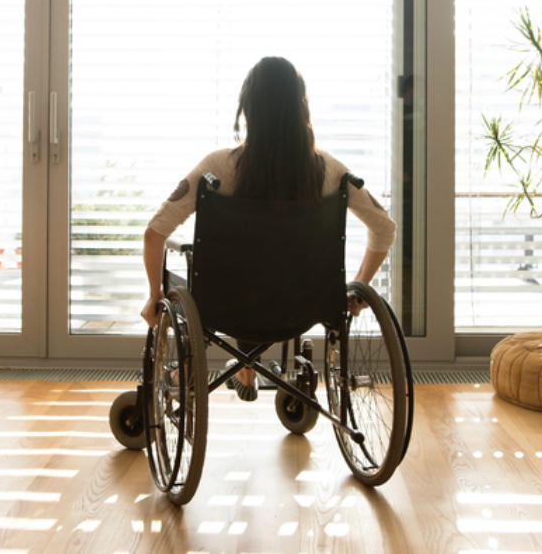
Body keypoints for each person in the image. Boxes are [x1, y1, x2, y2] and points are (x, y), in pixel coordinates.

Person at [139, 56, 396, 401]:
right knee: (267, 274)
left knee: (231, 277)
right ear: (302, 109)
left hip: (228, 306)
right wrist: (358, 290)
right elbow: (384, 228)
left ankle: (208, 368)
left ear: (248, 109)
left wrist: (154, 295)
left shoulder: (217, 169)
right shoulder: (331, 172)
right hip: (303, 306)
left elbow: (155, 232)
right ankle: (246, 366)